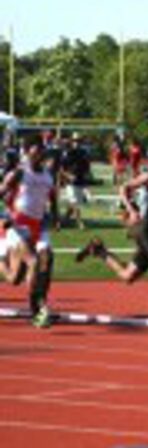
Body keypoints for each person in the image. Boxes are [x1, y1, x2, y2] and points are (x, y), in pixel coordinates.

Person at [75, 142, 148, 320]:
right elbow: (124, 188)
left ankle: (99, 250)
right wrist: (132, 211)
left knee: (128, 276)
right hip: (146, 230)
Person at [0, 135, 59, 328]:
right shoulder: (18, 173)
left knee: (47, 258)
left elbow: (52, 198)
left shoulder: (48, 176)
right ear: (26, 153)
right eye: (32, 153)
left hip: (39, 225)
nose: (36, 157)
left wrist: (56, 216)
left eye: (39, 153)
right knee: (26, 268)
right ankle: (36, 310)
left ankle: (41, 304)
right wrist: (5, 217)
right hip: (18, 224)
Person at [61, 133, 90, 229]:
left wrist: (87, 180)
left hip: (80, 181)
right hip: (70, 182)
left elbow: (86, 168)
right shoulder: (67, 153)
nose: (76, 143)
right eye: (74, 141)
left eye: (78, 141)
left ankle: (65, 220)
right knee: (74, 202)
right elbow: (61, 169)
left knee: (73, 203)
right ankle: (80, 222)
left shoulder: (83, 153)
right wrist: (68, 176)